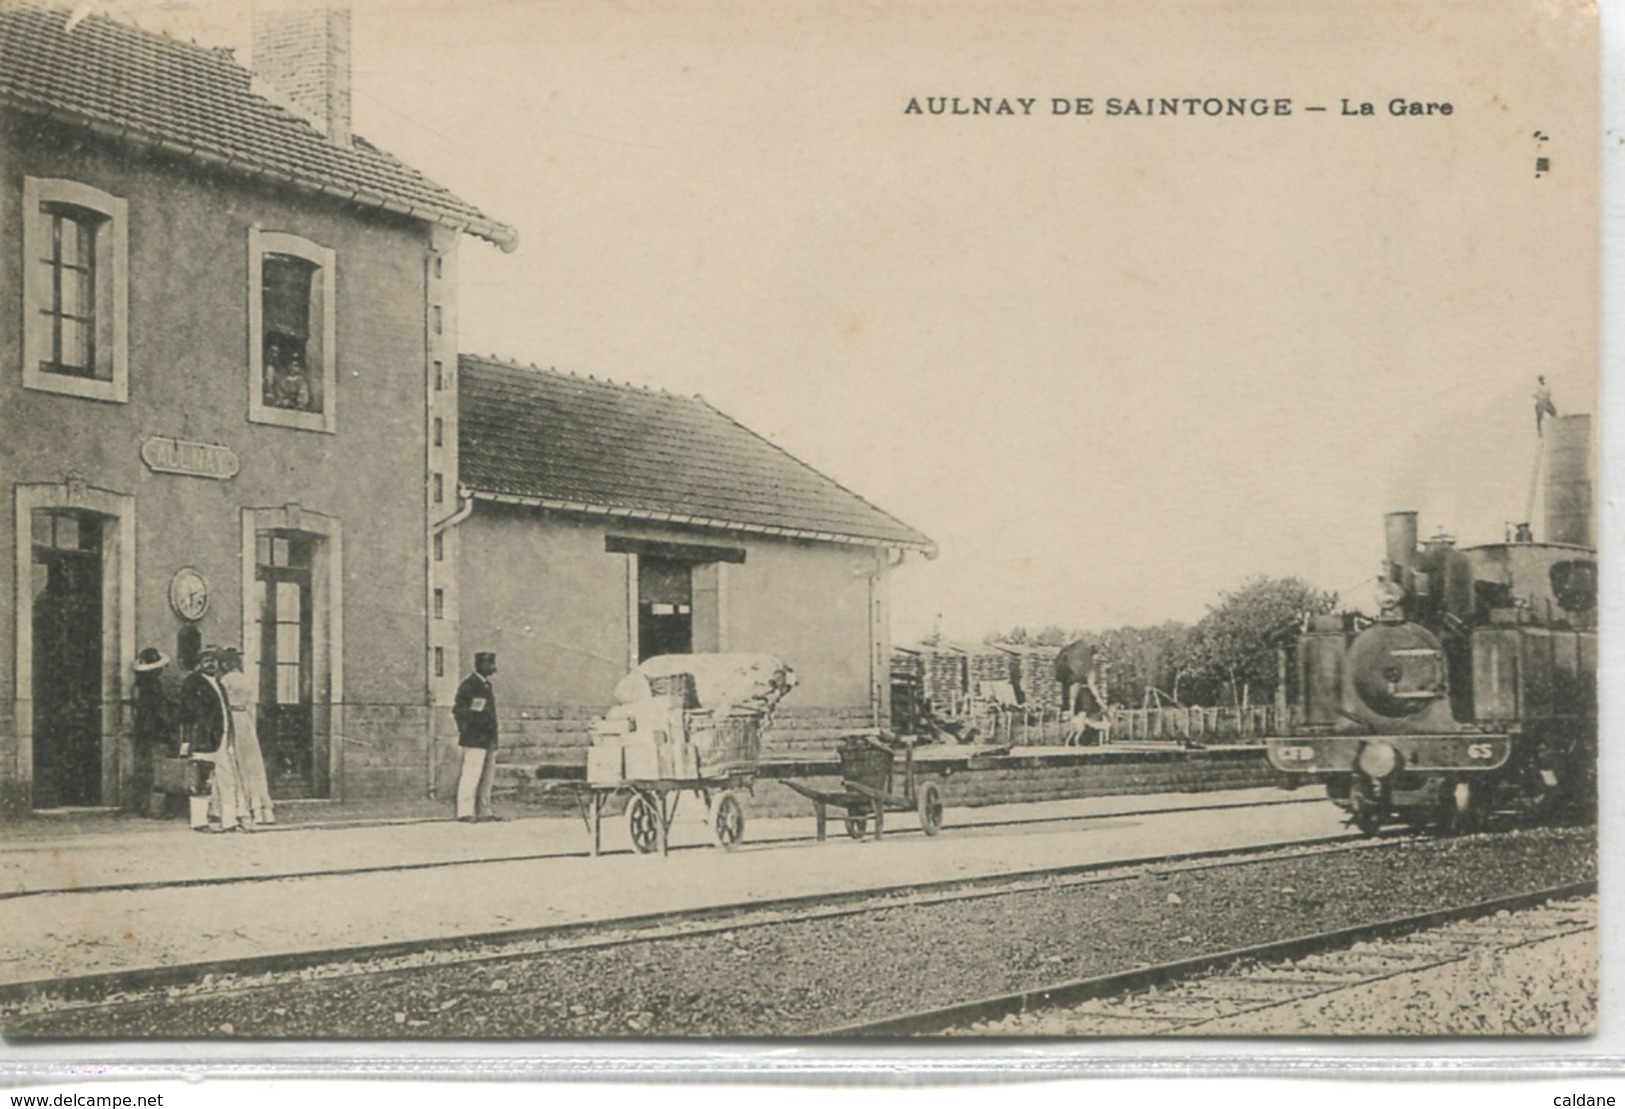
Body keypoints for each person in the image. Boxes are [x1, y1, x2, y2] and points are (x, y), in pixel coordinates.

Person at [177, 647, 249, 832]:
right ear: (200, 662)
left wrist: (230, 736)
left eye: (215, 660)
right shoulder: (192, 682)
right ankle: (199, 822)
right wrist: (186, 741)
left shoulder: (219, 683)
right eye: (207, 659)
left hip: (223, 738)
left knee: (227, 780)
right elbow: (186, 713)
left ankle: (229, 821)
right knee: (202, 780)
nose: (211, 663)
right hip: (203, 739)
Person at [219, 647, 275, 827]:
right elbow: (252, 706)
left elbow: (223, 705)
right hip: (246, 720)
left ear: (225, 664)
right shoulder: (248, 680)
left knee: (234, 763)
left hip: (231, 719)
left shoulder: (225, 680)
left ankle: (241, 808)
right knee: (252, 764)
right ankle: (262, 810)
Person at [452, 652, 501, 823]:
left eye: (492, 663)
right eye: (488, 664)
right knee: (471, 774)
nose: (492, 668)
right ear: (479, 665)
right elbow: (459, 711)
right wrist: (468, 731)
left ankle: (484, 811)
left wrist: (493, 738)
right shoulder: (469, 685)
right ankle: (465, 812)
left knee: (487, 776)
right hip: (474, 739)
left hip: (487, 739)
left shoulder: (486, 685)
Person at [130, 647, 171, 817]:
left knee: (144, 769)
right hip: (155, 732)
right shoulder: (154, 687)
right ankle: (156, 809)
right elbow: (159, 712)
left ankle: (143, 806)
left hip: (142, 731)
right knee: (158, 770)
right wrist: (168, 726)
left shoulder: (137, 686)